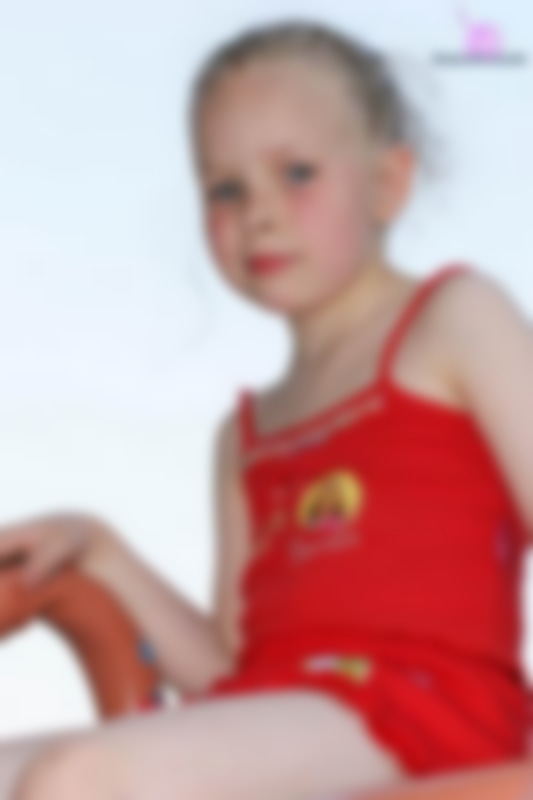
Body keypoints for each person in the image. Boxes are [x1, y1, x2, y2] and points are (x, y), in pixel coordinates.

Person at [0, 17, 532, 800]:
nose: (259, 212)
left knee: (75, 779)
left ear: (387, 182)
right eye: (227, 188)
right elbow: (230, 663)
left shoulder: (455, 318)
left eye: (297, 173)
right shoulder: (244, 434)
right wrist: (100, 549)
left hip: (427, 707)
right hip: (287, 710)